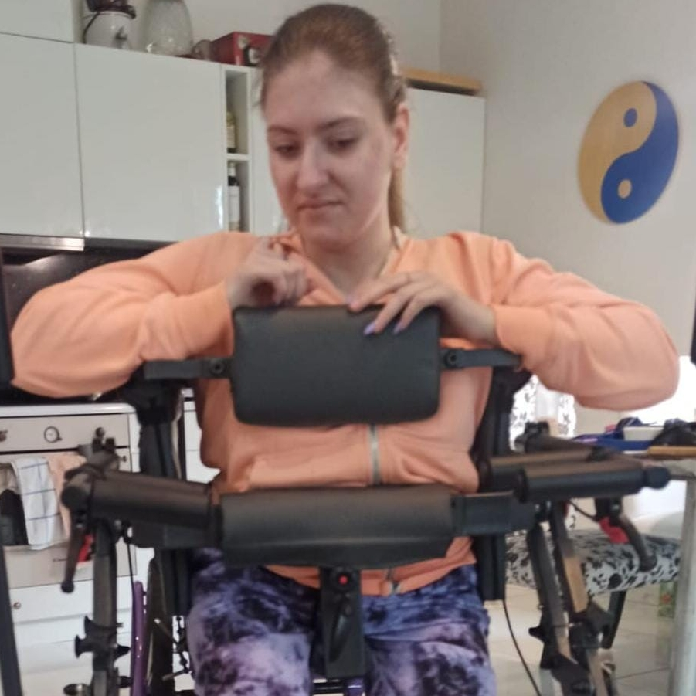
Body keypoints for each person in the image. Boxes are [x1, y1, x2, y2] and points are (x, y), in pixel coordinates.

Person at [11, 4, 678, 695]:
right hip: (259, 577)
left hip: (425, 579)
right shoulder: (225, 267)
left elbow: (650, 361)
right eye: (285, 147)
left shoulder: (474, 269)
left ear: (398, 135)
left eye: (340, 141)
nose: (308, 176)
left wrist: (488, 320)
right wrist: (214, 307)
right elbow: (37, 347)